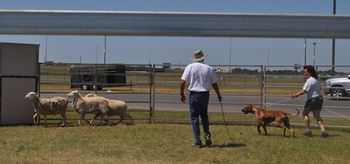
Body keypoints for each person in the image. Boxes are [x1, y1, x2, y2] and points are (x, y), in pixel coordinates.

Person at [180, 50, 222, 148]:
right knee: (204, 116)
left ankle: (197, 141)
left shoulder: (189, 67)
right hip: (205, 95)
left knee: (194, 117)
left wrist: (182, 94)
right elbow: (214, 83)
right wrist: (218, 94)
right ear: (203, 58)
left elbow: (183, 82)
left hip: (194, 94)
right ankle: (207, 135)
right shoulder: (209, 68)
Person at [291, 65, 328, 137]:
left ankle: (308, 131)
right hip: (319, 99)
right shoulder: (316, 79)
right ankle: (323, 130)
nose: (304, 73)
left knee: (305, 114)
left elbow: (304, 91)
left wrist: (295, 95)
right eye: (304, 72)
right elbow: (320, 89)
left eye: (305, 72)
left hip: (312, 99)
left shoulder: (309, 80)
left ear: (310, 72)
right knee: (317, 115)